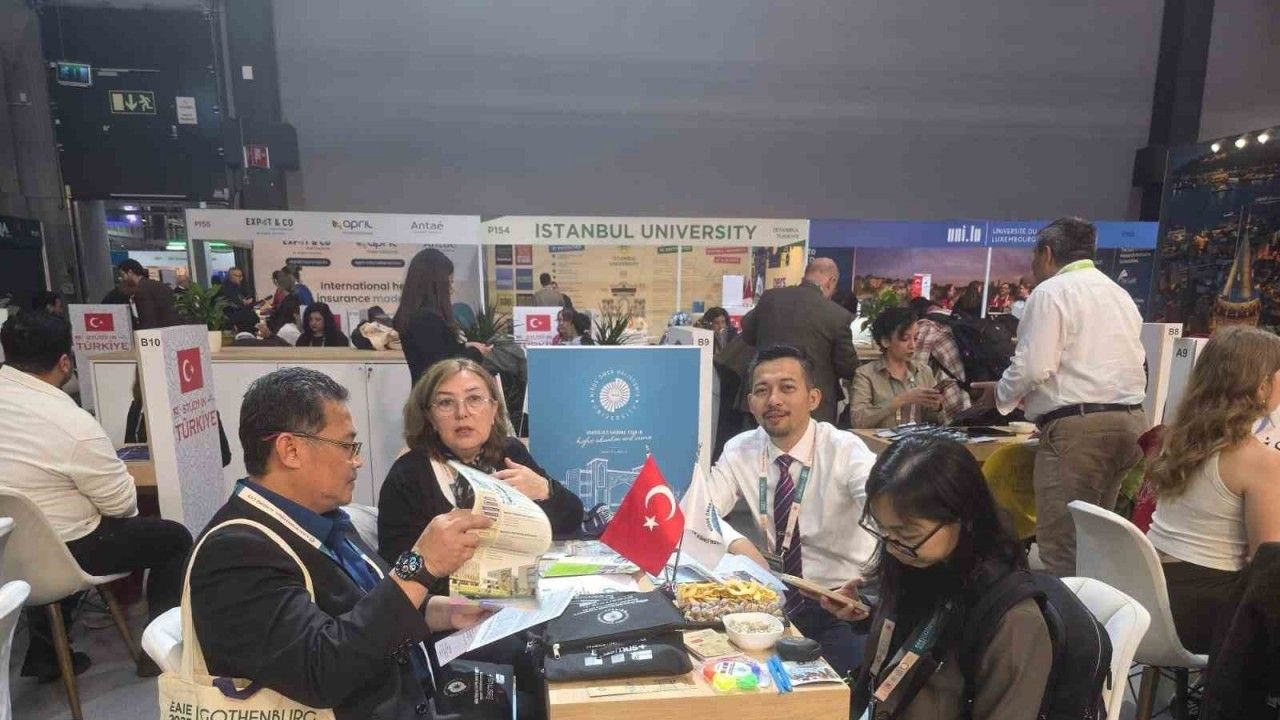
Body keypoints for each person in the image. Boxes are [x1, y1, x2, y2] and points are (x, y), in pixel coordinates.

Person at [189, 367, 494, 719]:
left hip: (413, 695)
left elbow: (370, 608)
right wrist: (420, 565)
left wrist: (447, 612)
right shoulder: (237, 550)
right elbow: (322, 671)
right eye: (347, 446)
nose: (357, 460)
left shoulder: (322, 519)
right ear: (290, 450)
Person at [0, 310, 192, 681]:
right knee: (174, 539)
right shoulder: (71, 423)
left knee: (47, 526)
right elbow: (123, 505)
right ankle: (159, 655)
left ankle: (44, 653)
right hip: (65, 554)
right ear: (65, 362)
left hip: (6, 553)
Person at [823, 435, 1051, 720]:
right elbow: (912, 632)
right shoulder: (922, 563)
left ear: (965, 517)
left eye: (907, 534)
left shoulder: (1013, 623)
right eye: (882, 529)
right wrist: (867, 610)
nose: (891, 546)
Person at [974, 217, 1146, 577]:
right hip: (1130, 423)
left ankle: (1065, 615)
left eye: (1033, 255)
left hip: (1080, 432)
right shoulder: (1119, 294)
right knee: (1096, 541)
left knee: (1060, 545)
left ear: (1047, 254)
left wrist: (1001, 394)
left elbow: (1034, 366)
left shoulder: (1051, 292)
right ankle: (1096, 609)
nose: (1031, 265)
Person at [701, 344, 879, 678]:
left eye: (787, 388)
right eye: (762, 391)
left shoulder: (845, 451)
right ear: (750, 402)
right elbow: (703, 511)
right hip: (774, 598)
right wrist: (739, 544)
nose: (773, 400)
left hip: (840, 603)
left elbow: (880, 508)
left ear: (813, 398)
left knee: (842, 691)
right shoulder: (740, 449)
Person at [1144, 326, 1280, 654]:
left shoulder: (1176, 438)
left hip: (1147, 591)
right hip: (1203, 611)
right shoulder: (1257, 460)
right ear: (1262, 386)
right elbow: (1268, 563)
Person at [378, 358, 584, 569]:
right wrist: (428, 556)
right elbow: (394, 566)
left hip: (519, 580)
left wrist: (545, 490)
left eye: (474, 399)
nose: (462, 413)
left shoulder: (510, 453)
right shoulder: (408, 474)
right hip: (443, 589)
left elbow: (572, 520)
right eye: (446, 402)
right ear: (430, 417)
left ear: (493, 410)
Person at [741, 258, 858, 424]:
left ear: (806, 275)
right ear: (831, 281)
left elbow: (747, 333)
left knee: (762, 440)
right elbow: (846, 366)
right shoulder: (837, 315)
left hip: (766, 398)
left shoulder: (770, 298)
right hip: (814, 406)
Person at [395, 248, 491, 384]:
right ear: (437, 284)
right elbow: (442, 368)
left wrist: (465, 346)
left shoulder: (416, 315)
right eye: (449, 282)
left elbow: (439, 350)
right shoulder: (426, 319)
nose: (451, 289)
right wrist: (475, 352)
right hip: (434, 393)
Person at [850, 307, 943, 428]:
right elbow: (858, 420)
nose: (912, 345)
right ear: (885, 341)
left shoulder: (924, 371)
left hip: (917, 439)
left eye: (915, 338)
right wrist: (902, 399)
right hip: (878, 440)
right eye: (905, 339)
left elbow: (935, 422)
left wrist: (937, 407)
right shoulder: (866, 374)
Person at [908, 297, 971, 420]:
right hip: (972, 394)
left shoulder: (927, 326)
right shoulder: (956, 318)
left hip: (951, 399)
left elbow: (916, 367)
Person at [118, 258, 182, 329]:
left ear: (130, 272)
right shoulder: (159, 285)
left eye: (123, 275)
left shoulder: (141, 290)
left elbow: (148, 318)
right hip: (173, 327)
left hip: (156, 331)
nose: (122, 279)